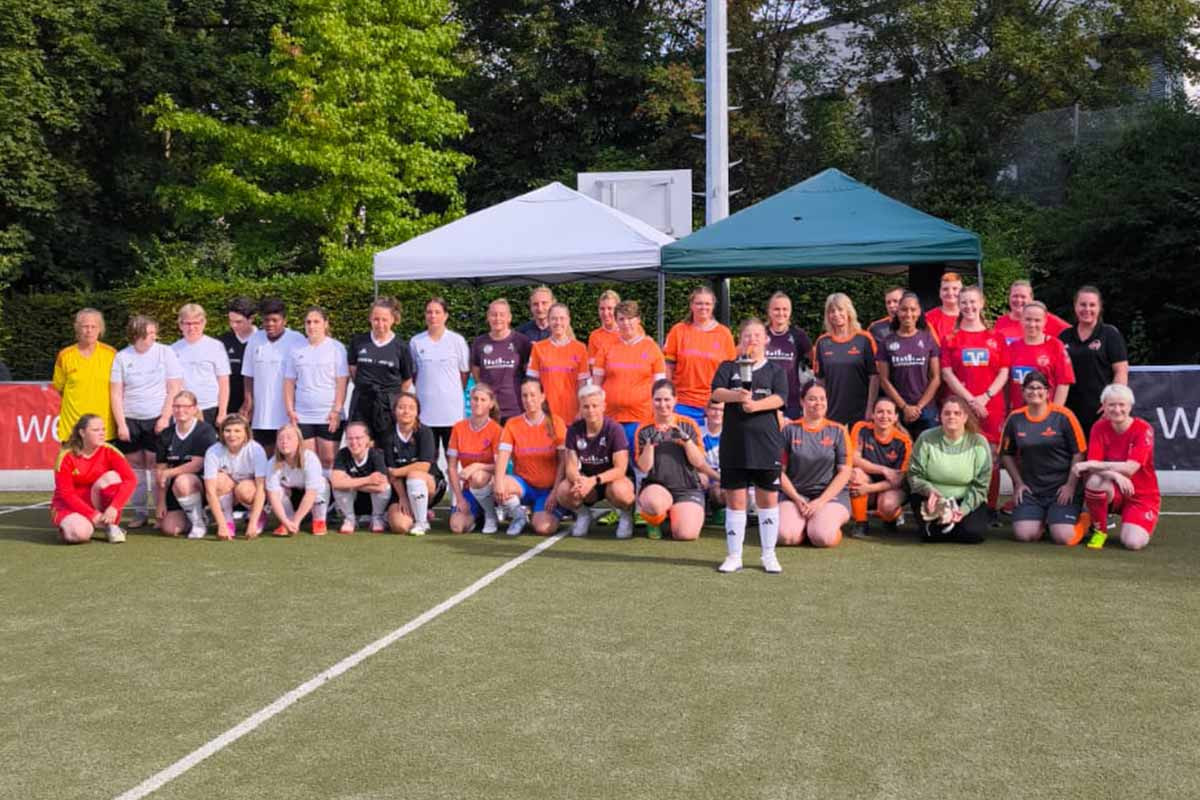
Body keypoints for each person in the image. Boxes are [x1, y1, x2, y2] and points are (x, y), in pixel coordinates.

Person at [710, 319, 788, 573]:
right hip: (734, 445)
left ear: (766, 339)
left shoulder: (775, 370)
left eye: (757, 335)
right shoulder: (728, 366)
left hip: (766, 444)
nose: (752, 340)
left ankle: (768, 555)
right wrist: (736, 396)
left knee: (767, 501)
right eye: (747, 336)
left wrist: (755, 405)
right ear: (740, 340)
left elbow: (780, 398)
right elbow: (716, 393)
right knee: (736, 502)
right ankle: (734, 555)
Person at [940, 285, 1010, 515]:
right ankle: (964, 503)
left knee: (991, 457)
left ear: (982, 303)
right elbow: (947, 372)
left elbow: (1004, 371)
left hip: (991, 406)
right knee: (962, 453)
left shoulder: (996, 337)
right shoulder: (951, 338)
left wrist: (985, 397)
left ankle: (989, 507)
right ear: (959, 306)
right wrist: (970, 400)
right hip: (962, 406)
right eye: (964, 303)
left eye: (973, 302)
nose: (969, 307)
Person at [110, 314, 184, 528]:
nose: (154, 337)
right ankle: (140, 513)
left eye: (154, 332)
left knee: (156, 465)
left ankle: (161, 512)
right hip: (131, 419)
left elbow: (174, 388)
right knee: (135, 467)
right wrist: (122, 424)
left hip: (157, 418)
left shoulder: (165, 352)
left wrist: (165, 417)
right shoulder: (122, 357)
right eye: (149, 333)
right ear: (137, 335)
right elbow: (116, 394)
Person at [1000, 371, 1089, 546]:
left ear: (1048, 392)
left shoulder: (1064, 416)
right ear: (1023, 392)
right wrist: (1018, 483)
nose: (1035, 392)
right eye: (1030, 388)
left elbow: (1079, 452)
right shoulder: (1015, 418)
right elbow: (1006, 453)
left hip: (1061, 489)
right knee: (1024, 535)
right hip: (1032, 490)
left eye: (1040, 388)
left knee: (1064, 538)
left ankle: (1085, 517)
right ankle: (1046, 520)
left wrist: (1070, 486)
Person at [1075, 383, 1160, 550]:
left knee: (1133, 543)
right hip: (1114, 488)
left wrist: (1097, 465)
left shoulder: (1143, 429)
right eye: (1111, 404)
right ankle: (1100, 531)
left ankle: (1092, 515)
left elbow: (1130, 468)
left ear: (1130, 406)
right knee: (1095, 481)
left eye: (1122, 404)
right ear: (1104, 407)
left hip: (1141, 496)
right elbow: (1093, 467)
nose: (1117, 409)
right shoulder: (1099, 428)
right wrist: (1115, 475)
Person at [634, 380, 719, 542]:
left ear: (675, 400)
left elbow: (698, 462)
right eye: (658, 400)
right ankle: (655, 520)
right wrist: (650, 444)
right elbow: (644, 467)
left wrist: (686, 440)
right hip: (657, 486)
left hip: (687, 488)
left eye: (667, 399)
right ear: (651, 400)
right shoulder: (644, 429)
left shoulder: (688, 425)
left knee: (686, 535)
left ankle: (676, 514)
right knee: (653, 503)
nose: (662, 404)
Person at [777, 382, 853, 548]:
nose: (818, 403)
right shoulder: (788, 430)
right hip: (795, 495)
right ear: (802, 402)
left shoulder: (838, 430)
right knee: (786, 537)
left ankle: (821, 526)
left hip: (830, 497)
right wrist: (797, 499)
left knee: (822, 538)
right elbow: (778, 472)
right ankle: (804, 527)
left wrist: (819, 502)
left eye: (822, 399)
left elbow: (845, 473)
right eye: (812, 399)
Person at [487, 377, 567, 536]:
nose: (528, 400)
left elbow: (563, 462)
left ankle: (560, 510)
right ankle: (519, 516)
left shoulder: (556, 423)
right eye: (524, 396)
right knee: (497, 481)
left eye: (532, 395)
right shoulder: (512, 424)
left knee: (544, 528)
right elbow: (503, 456)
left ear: (542, 397)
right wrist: (499, 482)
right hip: (523, 485)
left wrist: (555, 491)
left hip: (547, 488)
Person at [907, 396, 992, 543]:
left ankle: (955, 522)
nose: (951, 417)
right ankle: (944, 524)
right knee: (931, 536)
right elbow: (914, 474)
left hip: (965, 500)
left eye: (957, 413)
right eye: (947, 413)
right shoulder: (926, 438)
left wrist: (962, 510)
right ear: (940, 416)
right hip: (932, 498)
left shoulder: (979, 442)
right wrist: (929, 491)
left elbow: (981, 485)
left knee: (972, 535)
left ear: (965, 417)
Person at [557, 384, 636, 538]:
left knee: (622, 492)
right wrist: (579, 480)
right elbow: (571, 467)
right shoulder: (574, 430)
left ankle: (626, 515)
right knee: (563, 491)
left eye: (595, 405)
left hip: (611, 482)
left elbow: (620, 468)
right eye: (586, 406)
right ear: (580, 408)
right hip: (588, 484)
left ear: (603, 406)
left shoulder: (615, 429)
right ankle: (583, 514)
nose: (591, 410)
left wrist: (594, 480)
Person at [52, 414, 136, 544]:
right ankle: (75, 526)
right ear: (82, 433)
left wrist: (114, 507)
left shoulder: (110, 451)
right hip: (70, 506)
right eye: (96, 430)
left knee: (113, 477)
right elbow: (66, 494)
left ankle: (112, 525)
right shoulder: (66, 456)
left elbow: (130, 480)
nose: (102, 434)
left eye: (103, 430)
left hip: (95, 501)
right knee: (79, 534)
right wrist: (91, 514)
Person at [283, 306, 349, 473]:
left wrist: (337, 410)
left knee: (329, 458)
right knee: (308, 460)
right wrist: (290, 410)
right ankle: (313, 498)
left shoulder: (337, 348)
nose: (311, 326)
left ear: (325, 324)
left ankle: (329, 498)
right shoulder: (295, 349)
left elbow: (342, 382)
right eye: (308, 322)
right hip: (303, 415)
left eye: (316, 322)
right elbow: (289, 382)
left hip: (328, 414)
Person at [593, 300, 666, 445]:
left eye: (630, 318)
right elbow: (596, 385)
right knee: (614, 462)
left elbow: (660, 388)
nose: (626, 323)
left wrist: (659, 417)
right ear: (616, 321)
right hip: (611, 418)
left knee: (639, 464)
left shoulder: (651, 348)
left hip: (641, 418)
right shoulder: (606, 347)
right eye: (621, 319)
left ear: (638, 319)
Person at [663, 285, 737, 428]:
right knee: (683, 447)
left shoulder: (724, 334)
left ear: (713, 306)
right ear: (691, 305)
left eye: (707, 303)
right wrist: (669, 399)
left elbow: (731, 373)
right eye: (699, 303)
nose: (703, 307)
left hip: (714, 405)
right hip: (683, 404)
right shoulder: (678, 331)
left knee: (713, 450)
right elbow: (668, 368)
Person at [348, 296, 415, 450]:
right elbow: (353, 370)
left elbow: (406, 380)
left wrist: (392, 400)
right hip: (361, 404)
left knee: (386, 448)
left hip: (387, 406)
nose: (380, 324)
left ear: (393, 320)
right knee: (360, 446)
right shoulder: (358, 342)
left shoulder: (401, 347)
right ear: (370, 319)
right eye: (376, 319)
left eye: (385, 319)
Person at [1060, 286, 1129, 435]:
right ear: (1075, 306)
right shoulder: (1064, 336)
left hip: (1100, 412)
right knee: (1075, 457)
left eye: (1092, 305)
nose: (1087, 309)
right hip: (1069, 412)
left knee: (1098, 457)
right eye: (1082, 304)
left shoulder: (1110, 334)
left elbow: (1121, 371)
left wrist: (1113, 403)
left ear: (1100, 308)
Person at [242, 298, 306, 456]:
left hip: (288, 413)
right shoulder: (255, 340)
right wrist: (249, 401)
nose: (270, 324)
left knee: (289, 454)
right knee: (264, 455)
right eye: (266, 320)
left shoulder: (297, 339)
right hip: (261, 415)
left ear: (284, 320)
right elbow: (248, 374)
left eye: (274, 320)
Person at [410, 296, 470, 464]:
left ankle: (454, 490)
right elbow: (415, 374)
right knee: (429, 458)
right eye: (429, 312)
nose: (433, 316)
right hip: (426, 412)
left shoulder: (457, 341)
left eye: (437, 312)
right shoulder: (416, 342)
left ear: (445, 315)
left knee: (453, 458)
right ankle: (435, 490)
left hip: (452, 412)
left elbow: (464, 373)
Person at [876, 292, 941, 439]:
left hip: (926, 409)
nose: (908, 314)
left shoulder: (928, 339)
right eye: (904, 309)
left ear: (919, 312)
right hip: (897, 410)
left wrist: (918, 407)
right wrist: (904, 407)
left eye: (913, 309)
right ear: (898, 312)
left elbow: (936, 377)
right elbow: (884, 380)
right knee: (899, 456)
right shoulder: (886, 342)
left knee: (928, 456)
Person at [154, 390, 218, 538]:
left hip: (201, 485)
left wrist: (169, 473)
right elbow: (160, 471)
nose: (180, 410)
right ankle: (196, 516)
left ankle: (198, 523)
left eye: (185, 406)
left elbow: (196, 464)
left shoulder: (205, 431)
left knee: (183, 481)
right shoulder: (166, 434)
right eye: (176, 406)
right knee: (170, 529)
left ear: (194, 408)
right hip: (176, 489)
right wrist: (161, 503)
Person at [848, 397, 912, 538]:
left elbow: (898, 479)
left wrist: (868, 489)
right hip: (867, 480)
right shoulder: (861, 428)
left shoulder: (904, 441)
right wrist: (883, 469)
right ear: (872, 415)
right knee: (855, 474)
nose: (884, 416)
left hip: (891, 487)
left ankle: (891, 518)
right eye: (880, 412)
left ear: (895, 417)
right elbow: (854, 458)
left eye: (889, 412)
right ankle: (860, 523)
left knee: (887, 505)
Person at [812, 292, 878, 426]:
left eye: (840, 309)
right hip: (832, 413)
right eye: (832, 311)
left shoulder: (864, 339)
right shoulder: (822, 342)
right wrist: (819, 409)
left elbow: (875, 377)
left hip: (860, 412)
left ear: (849, 311)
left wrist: (870, 408)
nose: (836, 314)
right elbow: (820, 380)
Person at [384, 391, 445, 536]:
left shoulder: (425, 432)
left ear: (417, 411)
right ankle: (413, 513)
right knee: (401, 527)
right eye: (401, 407)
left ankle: (421, 522)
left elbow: (424, 465)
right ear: (394, 411)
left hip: (429, 484)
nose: (406, 411)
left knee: (415, 475)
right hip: (401, 488)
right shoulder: (388, 435)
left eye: (411, 408)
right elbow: (390, 471)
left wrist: (396, 472)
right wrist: (403, 497)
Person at [53, 308, 117, 444]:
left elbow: (118, 389)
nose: (89, 331)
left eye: (94, 327)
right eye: (85, 326)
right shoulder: (65, 356)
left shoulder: (111, 355)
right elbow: (60, 388)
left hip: (103, 429)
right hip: (72, 428)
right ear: (77, 328)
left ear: (100, 329)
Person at [446, 383, 503, 534]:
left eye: (483, 400)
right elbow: (451, 467)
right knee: (457, 527)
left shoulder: (496, 430)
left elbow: (500, 465)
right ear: (469, 401)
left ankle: (491, 515)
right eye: (475, 399)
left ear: (491, 404)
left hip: (490, 484)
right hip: (468, 488)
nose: (478, 403)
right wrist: (459, 498)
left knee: (478, 477)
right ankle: (478, 515)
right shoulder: (458, 428)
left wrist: (477, 466)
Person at [203, 414, 268, 540]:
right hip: (228, 489)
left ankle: (257, 516)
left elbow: (261, 488)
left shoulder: (256, 450)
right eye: (227, 430)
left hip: (247, 490)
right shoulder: (213, 451)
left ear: (246, 433)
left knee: (244, 489)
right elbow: (210, 491)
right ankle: (228, 521)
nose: (232, 435)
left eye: (237, 431)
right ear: (222, 432)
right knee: (219, 480)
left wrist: (252, 523)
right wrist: (221, 525)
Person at [469, 298, 531, 423]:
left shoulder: (522, 341)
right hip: (489, 409)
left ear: (509, 318)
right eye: (493, 315)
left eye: (502, 315)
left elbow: (528, 373)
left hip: (515, 408)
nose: (498, 319)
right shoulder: (479, 343)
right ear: (488, 318)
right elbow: (476, 372)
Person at [527, 303, 589, 423]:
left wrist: (582, 409)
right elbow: (532, 384)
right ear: (549, 321)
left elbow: (583, 384)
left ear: (568, 320)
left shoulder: (580, 348)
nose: (558, 322)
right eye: (554, 319)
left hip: (572, 414)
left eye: (562, 318)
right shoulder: (538, 348)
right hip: (546, 414)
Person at [1007, 301, 1075, 412]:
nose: (1032, 324)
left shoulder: (1055, 346)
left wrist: (1054, 413)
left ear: (1045, 322)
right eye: (1028, 319)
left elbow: (1063, 383)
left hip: (1045, 414)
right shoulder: (1012, 347)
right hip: (1018, 415)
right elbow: (1007, 384)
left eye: (1037, 320)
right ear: (1021, 321)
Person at [266, 423, 331, 536]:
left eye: (289, 438)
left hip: (308, 495)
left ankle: (319, 520)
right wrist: (286, 522)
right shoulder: (272, 463)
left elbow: (311, 493)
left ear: (299, 441)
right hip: (292, 496)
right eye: (280, 438)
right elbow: (273, 496)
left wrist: (297, 521)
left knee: (322, 483)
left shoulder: (310, 458)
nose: (284, 442)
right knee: (278, 491)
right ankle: (287, 521)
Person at [171, 303, 231, 426]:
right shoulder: (172, 349)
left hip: (210, 408)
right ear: (180, 325)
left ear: (203, 323)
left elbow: (224, 381)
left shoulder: (216, 346)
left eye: (196, 323)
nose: (191, 327)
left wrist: (222, 412)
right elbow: (172, 384)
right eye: (187, 323)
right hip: (184, 409)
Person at [330, 421, 392, 534]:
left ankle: (377, 517)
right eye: (350, 438)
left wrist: (349, 483)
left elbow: (382, 486)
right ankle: (350, 519)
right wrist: (368, 480)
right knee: (339, 488)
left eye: (358, 438)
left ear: (367, 439)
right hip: (354, 502)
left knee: (386, 488)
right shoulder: (342, 454)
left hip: (373, 502)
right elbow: (336, 483)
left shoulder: (376, 454)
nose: (354, 442)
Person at [764, 291, 814, 420]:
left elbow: (817, 361)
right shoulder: (760, 333)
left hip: (791, 403)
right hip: (763, 400)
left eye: (785, 309)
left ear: (790, 312)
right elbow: (740, 355)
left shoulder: (798, 335)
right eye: (776, 309)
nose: (781, 313)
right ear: (769, 311)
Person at [994, 280, 1070, 345]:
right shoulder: (1001, 321)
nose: (1018, 300)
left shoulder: (1043, 318)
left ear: (1031, 299)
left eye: (1023, 297)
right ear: (1009, 297)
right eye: (1015, 296)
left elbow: (1073, 334)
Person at [220, 297, 257, 417]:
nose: (233, 325)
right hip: (230, 408)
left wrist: (250, 402)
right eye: (231, 321)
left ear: (251, 319)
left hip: (258, 408)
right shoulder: (222, 342)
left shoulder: (264, 340)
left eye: (238, 322)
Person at [699, 398, 725, 517]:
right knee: (700, 479)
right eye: (714, 409)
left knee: (721, 491)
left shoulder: (731, 432)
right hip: (705, 473)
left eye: (721, 410)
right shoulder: (698, 430)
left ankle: (718, 508)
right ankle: (699, 506)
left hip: (723, 475)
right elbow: (698, 464)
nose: (717, 413)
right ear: (706, 410)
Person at [587, 289, 623, 373]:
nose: (605, 313)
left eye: (610, 308)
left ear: (618, 310)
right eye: (602, 309)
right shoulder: (594, 336)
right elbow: (592, 367)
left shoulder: (628, 332)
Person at [923, 271, 962, 344]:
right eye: (945, 289)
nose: (950, 293)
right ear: (939, 292)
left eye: (955, 289)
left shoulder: (970, 317)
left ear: (962, 292)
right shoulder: (928, 317)